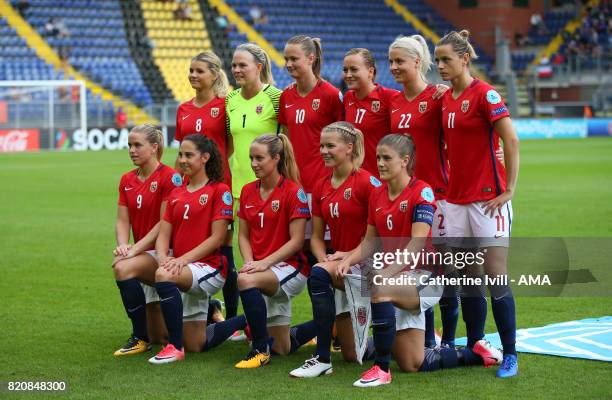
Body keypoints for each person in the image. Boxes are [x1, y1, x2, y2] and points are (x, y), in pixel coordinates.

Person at [336, 134, 501, 387]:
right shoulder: (377, 194)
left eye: (386, 158)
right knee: (412, 363)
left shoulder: (421, 190)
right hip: (399, 277)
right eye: (378, 157)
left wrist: (387, 272)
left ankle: (381, 369)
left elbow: (416, 243)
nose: (379, 163)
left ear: (405, 161)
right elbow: (370, 242)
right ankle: (476, 354)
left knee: (378, 289)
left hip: (426, 276)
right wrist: (348, 259)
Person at [435, 30, 520, 378]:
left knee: (496, 277)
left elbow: (510, 140)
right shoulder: (445, 99)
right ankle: (474, 344)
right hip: (455, 200)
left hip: (488, 201)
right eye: (437, 60)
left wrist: (509, 189)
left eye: (446, 60)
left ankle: (511, 355)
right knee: (468, 277)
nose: (440, 66)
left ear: (464, 59)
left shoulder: (485, 94)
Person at [289, 121, 381, 378]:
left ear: (349, 148)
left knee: (318, 275)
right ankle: (394, 337)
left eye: (330, 145)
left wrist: (347, 259)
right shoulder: (320, 185)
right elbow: (317, 237)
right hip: (342, 266)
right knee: (352, 356)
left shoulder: (367, 183)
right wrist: (324, 260)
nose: (324, 151)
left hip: (369, 263)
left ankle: (322, 358)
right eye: (321, 146)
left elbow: (379, 237)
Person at [148, 135, 247, 364]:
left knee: (164, 276)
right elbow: (163, 236)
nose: (182, 160)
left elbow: (217, 239)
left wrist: (180, 260)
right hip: (184, 268)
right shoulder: (176, 193)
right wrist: (164, 258)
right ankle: (247, 318)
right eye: (180, 154)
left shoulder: (219, 190)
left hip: (210, 267)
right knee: (197, 345)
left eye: (188, 155)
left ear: (205, 157)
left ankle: (174, 347)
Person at [387, 34, 458, 349]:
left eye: (400, 61)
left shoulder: (439, 96)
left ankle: (451, 340)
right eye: (390, 62)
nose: (394, 67)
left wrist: (495, 152)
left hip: (439, 197)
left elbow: (470, 125)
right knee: (417, 268)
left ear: (418, 62)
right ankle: (428, 339)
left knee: (444, 271)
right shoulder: (394, 101)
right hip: (405, 200)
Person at [234, 134, 316, 368]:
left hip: (292, 268)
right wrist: (251, 261)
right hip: (263, 270)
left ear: (276, 158)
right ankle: (327, 327)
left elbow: (297, 241)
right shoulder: (248, 191)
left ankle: (259, 350)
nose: (253, 163)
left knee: (246, 281)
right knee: (283, 348)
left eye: (259, 158)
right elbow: (243, 235)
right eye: (251, 158)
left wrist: (263, 264)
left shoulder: (292, 191)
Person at [175, 51, 239, 321]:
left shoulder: (225, 106)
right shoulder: (183, 109)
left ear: (214, 74)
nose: (193, 75)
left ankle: (234, 319)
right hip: (190, 191)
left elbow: (230, 145)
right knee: (194, 246)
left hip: (218, 187)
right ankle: (209, 309)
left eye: (199, 70)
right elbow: (182, 151)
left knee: (224, 248)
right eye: (191, 70)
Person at [112, 124, 181, 356]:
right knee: (160, 336)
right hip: (142, 255)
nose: (132, 150)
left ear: (153, 147)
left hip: (164, 253)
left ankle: (139, 338)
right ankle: (210, 309)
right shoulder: (126, 179)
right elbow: (122, 220)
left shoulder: (170, 177)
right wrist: (123, 245)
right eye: (129, 145)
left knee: (122, 268)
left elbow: (163, 223)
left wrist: (134, 251)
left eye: (137, 145)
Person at [278, 35, 343, 263]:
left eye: (294, 58)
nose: (288, 64)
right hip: (295, 187)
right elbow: (285, 138)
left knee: (328, 251)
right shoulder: (286, 95)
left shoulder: (331, 95)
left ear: (311, 58)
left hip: (324, 186)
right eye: (286, 59)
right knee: (301, 252)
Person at [226, 43, 282, 205]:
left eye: (243, 65)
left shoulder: (276, 97)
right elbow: (230, 144)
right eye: (234, 65)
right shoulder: (230, 100)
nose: (236, 70)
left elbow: (289, 142)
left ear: (258, 67)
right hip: (238, 190)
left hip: (270, 190)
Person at [342, 48, 397, 177]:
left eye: (354, 69)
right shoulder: (347, 98)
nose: (348, 74)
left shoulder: (389, 97)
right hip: (355, 180)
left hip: (382, 180)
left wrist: (441, 89)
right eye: (345, 70)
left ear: (370, 72)